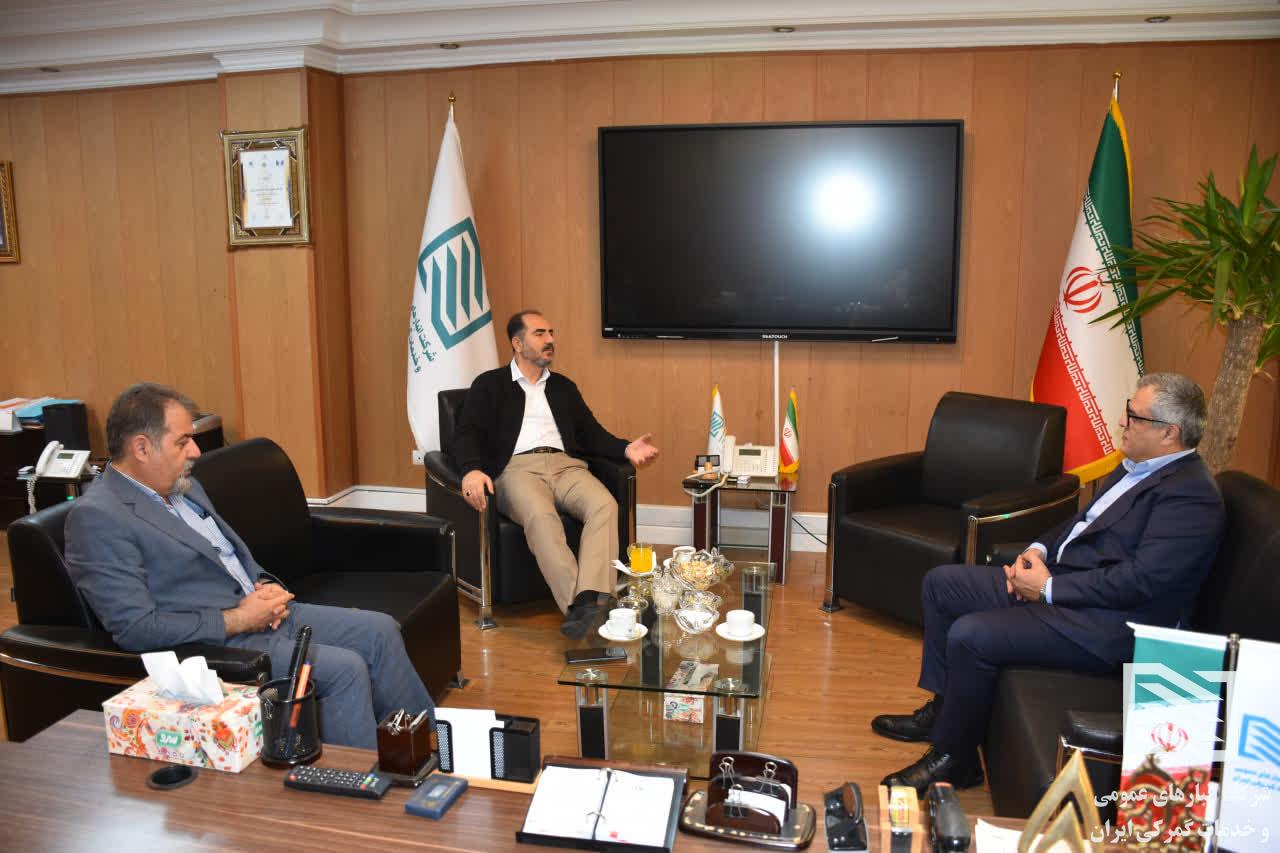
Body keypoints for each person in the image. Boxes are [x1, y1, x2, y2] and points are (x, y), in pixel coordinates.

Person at [871, 372, 1226, 793]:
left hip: (1108, 624)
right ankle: (945, 712)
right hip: (1067, 587)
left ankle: (954, 760)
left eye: (1134, 416)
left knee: (971, 635)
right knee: (942, 584)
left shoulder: (1191, 497)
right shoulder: (1135, 467)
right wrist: (1038, 550)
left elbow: (1142, 581)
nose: (1122, 422)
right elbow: (1082, 522)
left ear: (1169, 433)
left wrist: (1049, 589)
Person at [64, 383, 432, 750]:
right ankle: (360, 778)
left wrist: (264, 583)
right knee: (344, 668)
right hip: (218, 642)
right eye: (182, 442)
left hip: (264, 614)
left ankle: (431, 747)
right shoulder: (98, 518)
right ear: (142, 447)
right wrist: (239, 619)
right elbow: (135, 628)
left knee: (380, 631)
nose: (195, 451)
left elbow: (230, 554)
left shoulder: (185, 487)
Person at [453, 310, 660, 638]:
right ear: (517, 343)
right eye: (539, 334)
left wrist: (625, 448)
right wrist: (471, 470)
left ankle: (588, 601)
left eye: (551, 332)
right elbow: (467, 433)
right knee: (540, 516)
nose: (549, 340)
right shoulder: (489, 385)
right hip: (516, 469)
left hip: (566, 466)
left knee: (604, 506)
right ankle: (583, 609)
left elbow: (591, 433)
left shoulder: (563, 387)